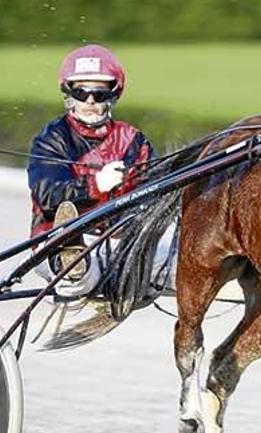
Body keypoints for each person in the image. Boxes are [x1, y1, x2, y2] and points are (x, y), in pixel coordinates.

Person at [27, 44, 155, 297]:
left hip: (124, 243)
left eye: (99, 94)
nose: (89, 101)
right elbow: (49, 198)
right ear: (68, 93)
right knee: (81, 262)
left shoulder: (133, 141)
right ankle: (72, 259)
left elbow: (155, 192)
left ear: (113, 95)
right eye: (81, 92)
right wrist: (98, 183)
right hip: (57, 238)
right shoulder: (52, 139)